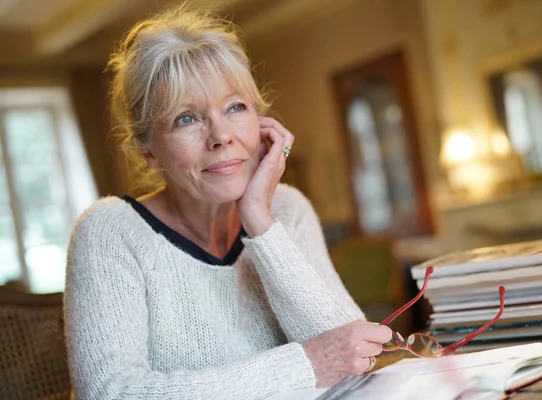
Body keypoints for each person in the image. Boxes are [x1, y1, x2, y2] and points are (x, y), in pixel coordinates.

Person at [64, 7, 393, 400]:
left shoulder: (287, 209)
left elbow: (352, 358)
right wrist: (303, 365)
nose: (220, 135)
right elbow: (110, 394)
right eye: (187, 118)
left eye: (235, 107)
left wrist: (260, 222)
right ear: (148, 151)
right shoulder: (110, 232)